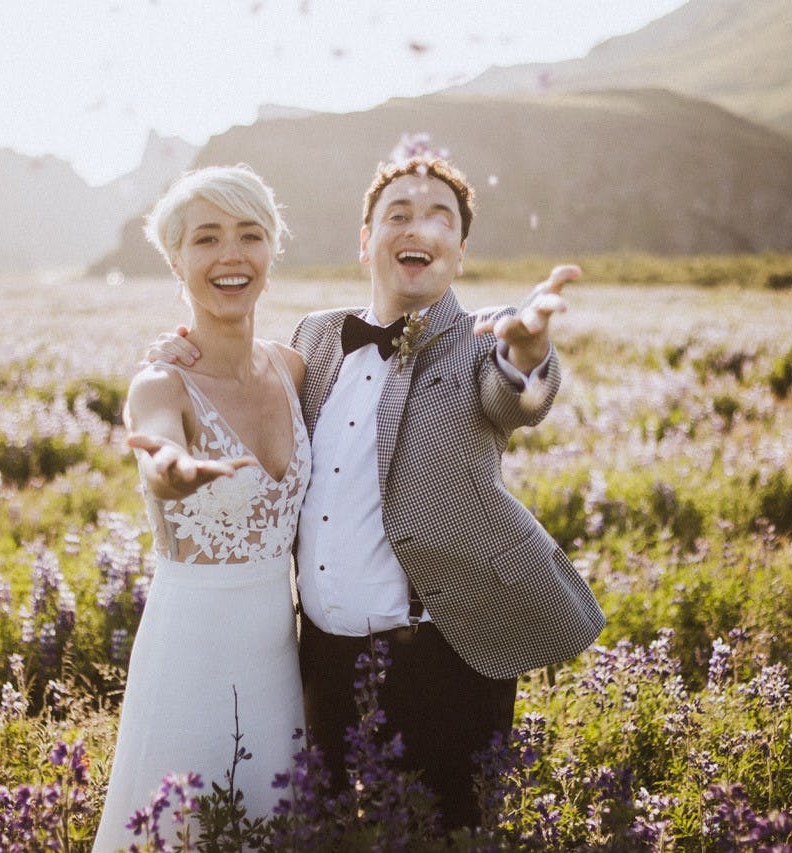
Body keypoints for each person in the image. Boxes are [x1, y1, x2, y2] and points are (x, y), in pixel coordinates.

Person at [151, 155, 604, 831]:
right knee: (320, 829)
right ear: (365, 241)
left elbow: (518, 396)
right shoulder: (316, 337)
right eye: (397, 214)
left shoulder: (485, 341)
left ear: (459, 250)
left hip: (443, 656)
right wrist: (181, 350)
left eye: (436, 216)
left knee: (446, 831)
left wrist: (528, 356)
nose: (415, 226)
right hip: (318, 659)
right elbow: (244, 376)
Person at [91, 165, 309, 851]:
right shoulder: (163, 380)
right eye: (207, 238)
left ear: (271, 252)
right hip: (191, 655)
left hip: (278, 660)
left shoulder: (293, 366)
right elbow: (155, 443)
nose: (231, 255)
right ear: (177, 259)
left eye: (250, 235)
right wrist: (171, 467)